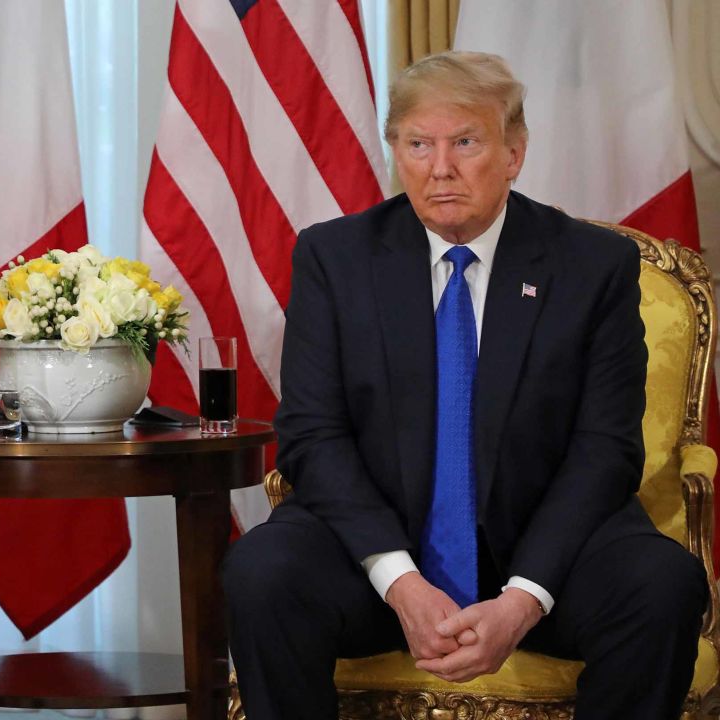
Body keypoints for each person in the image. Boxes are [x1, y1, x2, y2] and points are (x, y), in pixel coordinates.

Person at [223, 51, 708, 719]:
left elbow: (605, 450)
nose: (440, 167)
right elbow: (313, 435)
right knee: (263, 573)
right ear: (396, 151)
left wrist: (522, 599)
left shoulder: (591, 266)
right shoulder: (335, 257)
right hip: (377, 562)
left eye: (466, 142)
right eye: (418, 144)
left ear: (514, 152)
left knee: (662, 585)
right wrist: (400, 583)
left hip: (543, 556)